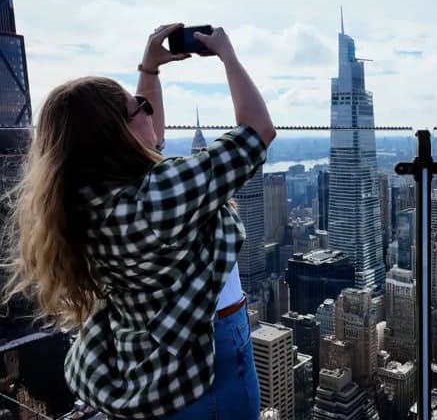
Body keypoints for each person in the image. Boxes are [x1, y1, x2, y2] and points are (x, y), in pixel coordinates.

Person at [1, 23, 275, 419]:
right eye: (138, 109)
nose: (149, 114)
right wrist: (228, 56)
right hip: (208, 356)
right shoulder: (158, 197)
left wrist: (149, 74)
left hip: (147, 364)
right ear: (117, 133)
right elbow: (258, 131)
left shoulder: (81, 198)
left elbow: (150, 144)